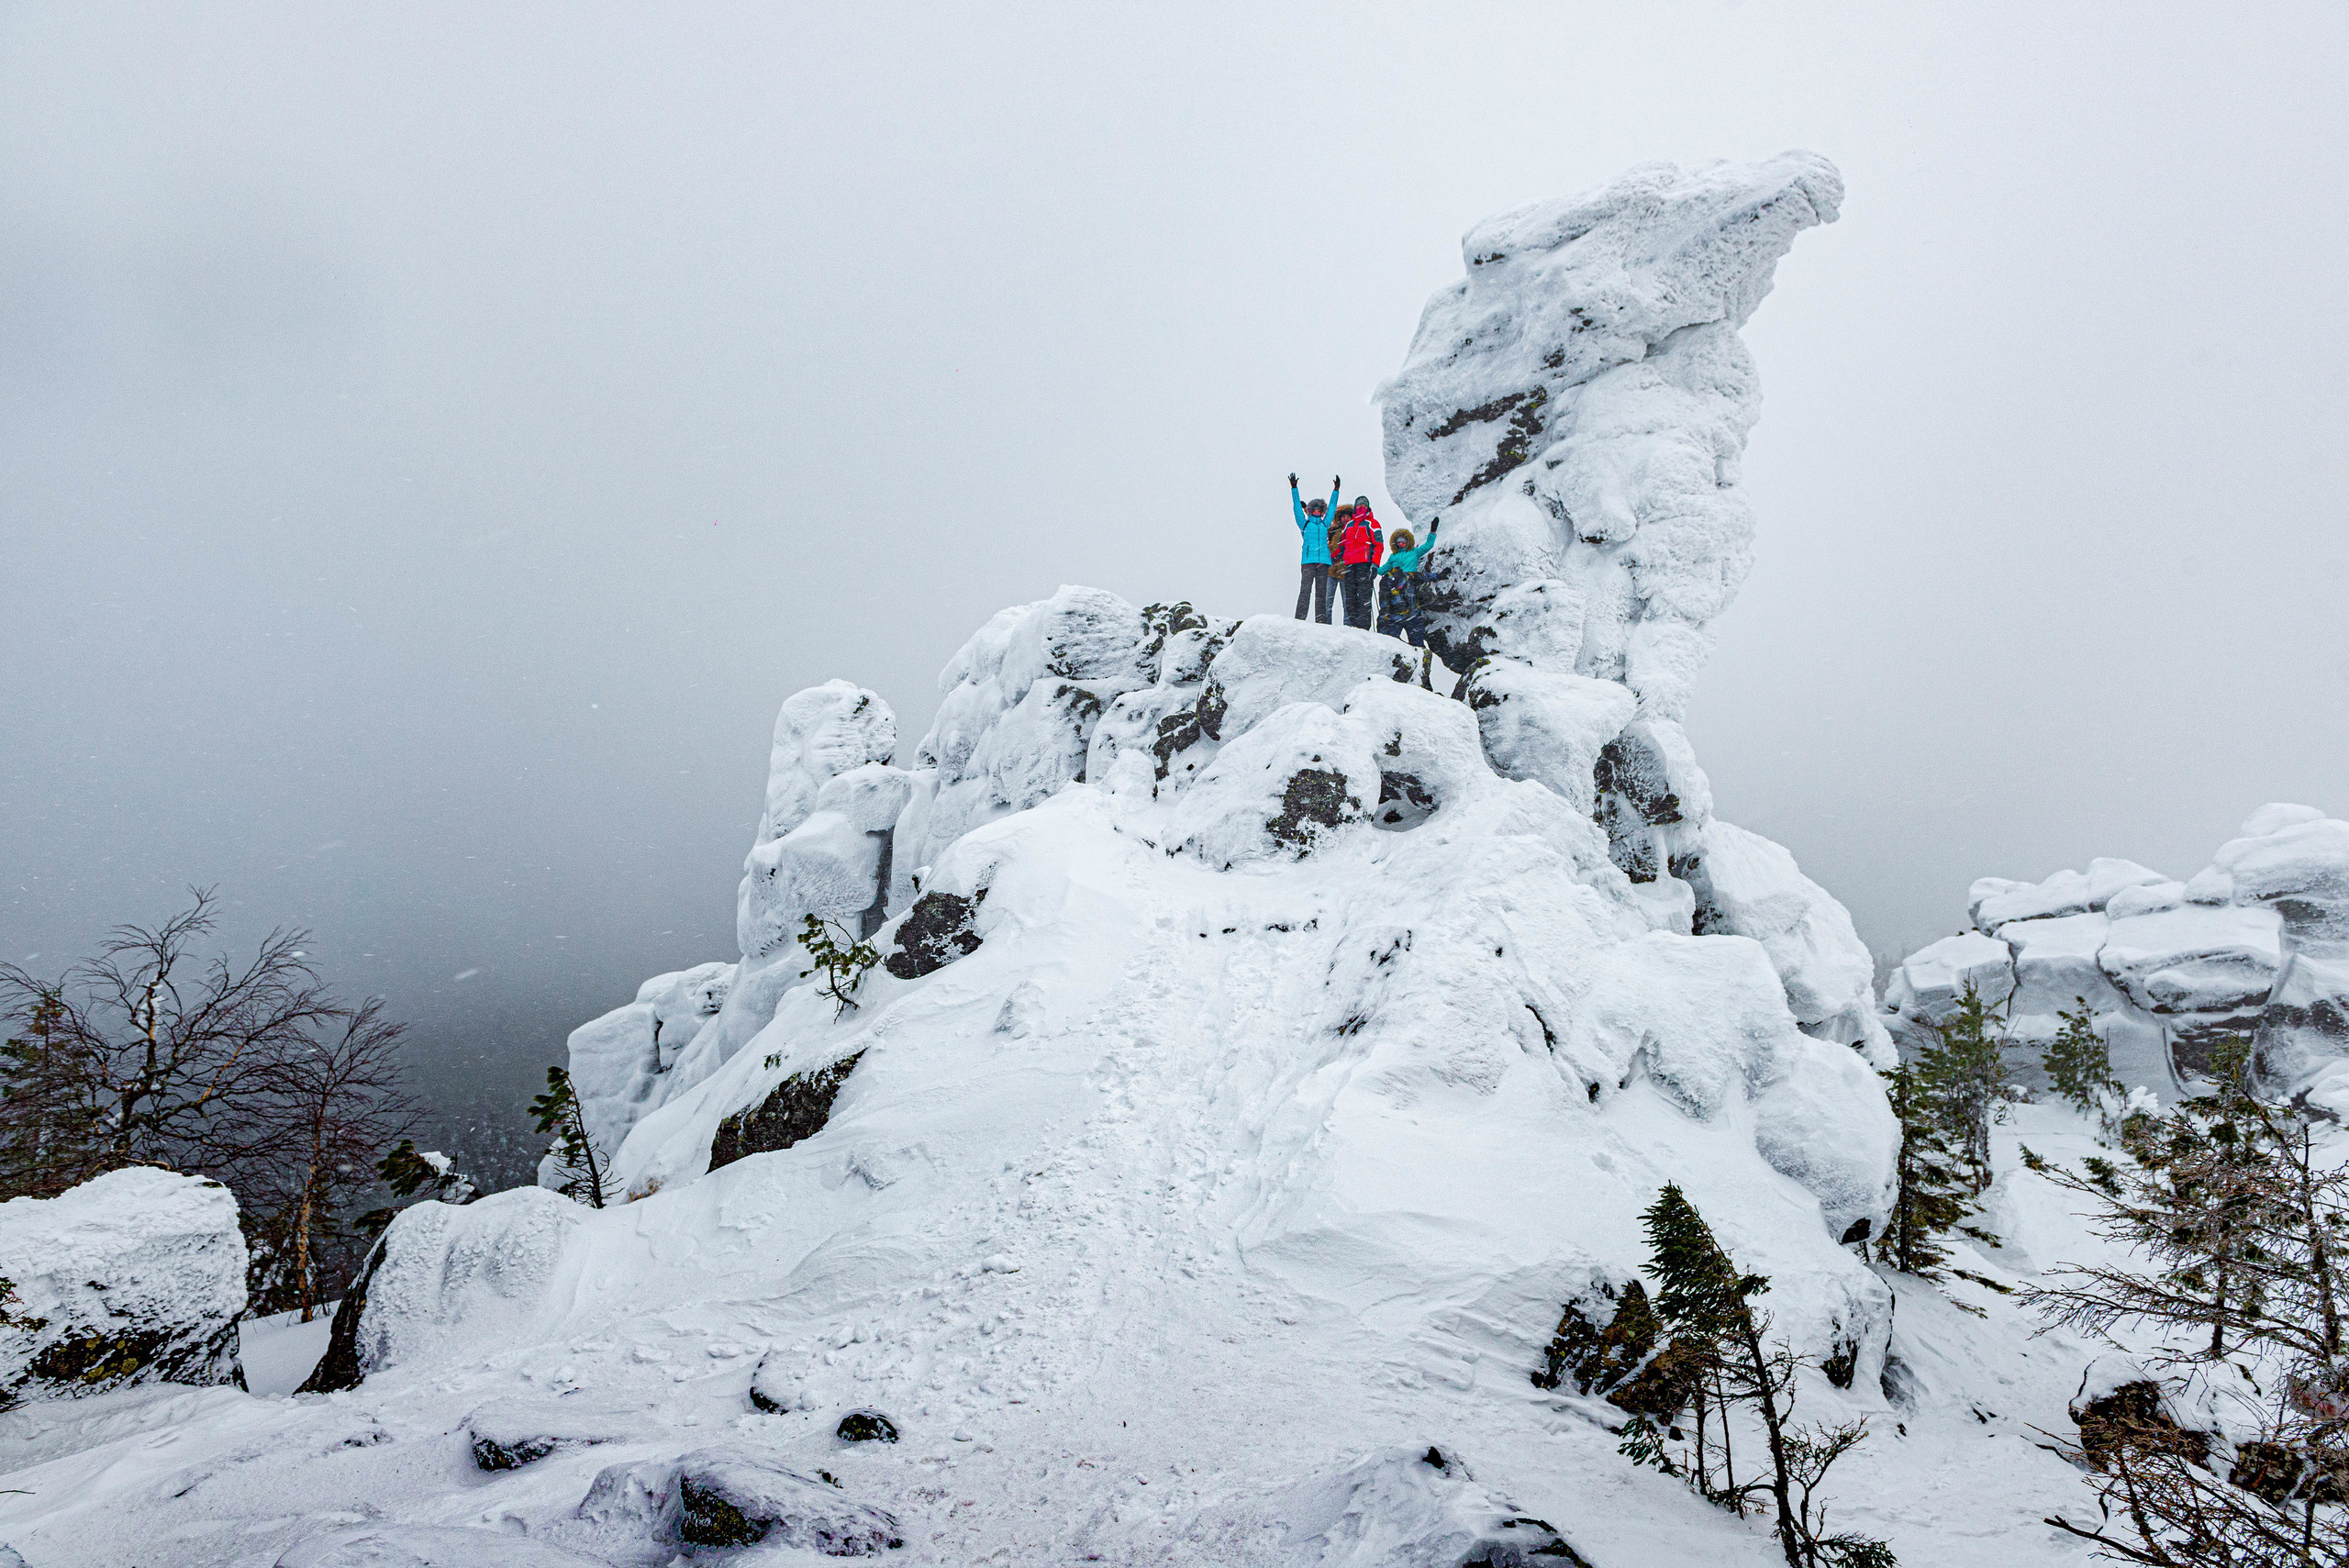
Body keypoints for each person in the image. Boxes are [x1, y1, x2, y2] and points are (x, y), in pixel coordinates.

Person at [1375, 517, 1442, 648]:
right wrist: (1372, 569)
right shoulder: (1393, 557)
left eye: (1403, 542)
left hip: (1410, 581)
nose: (1400, 544)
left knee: (1411, 603)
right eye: (1398, 542)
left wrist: (1432, 532)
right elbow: (1383, 569)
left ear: (1407, 542)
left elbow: (1428, 545)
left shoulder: (1414, 552)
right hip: (1395, 585)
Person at [1288, 473, 1341, 623]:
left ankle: (1321, 622)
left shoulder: (1325, 524)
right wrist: (1294, 488)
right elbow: (1297, 508)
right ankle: (1299, 619)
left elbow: (1332, 508)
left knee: (1321, 593)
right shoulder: (1304, 524)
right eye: (1314, 510)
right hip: (1308, 562)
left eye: (1319, 510)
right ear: (1310, 511)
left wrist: (1336, 491)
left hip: (1323, 562)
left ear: (1321, 512)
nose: (1317, 512)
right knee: (1305, 591)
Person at [1335, 495, 1385, 629]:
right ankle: (1353, 626)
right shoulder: (1349, 526)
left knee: (1363, 597)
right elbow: (1341, 547)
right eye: (1358, 506)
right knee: (1350, 597)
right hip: (1350, 566)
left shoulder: (1372, 523)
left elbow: (1379, 545)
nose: (1361, 508)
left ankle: (1364, 629)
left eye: (1364, 505)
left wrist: (1375, 564)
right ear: (1355, 508)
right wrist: (1330, 559)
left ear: (1368, 507)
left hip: (1365, 565)